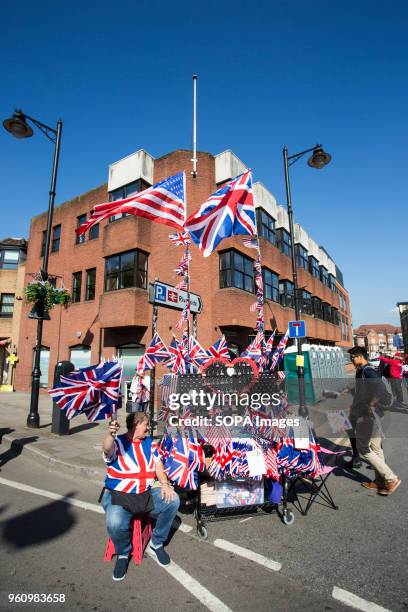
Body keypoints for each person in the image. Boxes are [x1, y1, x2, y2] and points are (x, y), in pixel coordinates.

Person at [101, 412, 180, 581]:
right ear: (136, 424)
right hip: (119, 496)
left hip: (145, 493)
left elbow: (158, 466)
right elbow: (106, 448)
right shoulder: (118, 443)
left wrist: (165, 485)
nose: (148, 428)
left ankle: (156, 543)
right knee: (114, 522)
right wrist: (110, 433)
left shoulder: (150, 444)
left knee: (173, 501)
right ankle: (123, 553)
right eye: (145, 424)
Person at [345, 346, 401, 495]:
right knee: (376, 447)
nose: (352, 359)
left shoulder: (367, 371)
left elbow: (380, 390)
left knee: (363, 447)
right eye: (351, 356)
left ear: (362, 356)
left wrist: (370, 404)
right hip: (372, 414)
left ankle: (390, 478)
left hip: (369, 415)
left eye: (354, 356)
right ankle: (379, 481)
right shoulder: (362, 371)